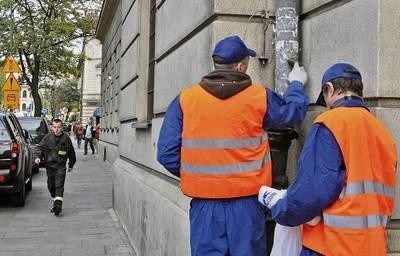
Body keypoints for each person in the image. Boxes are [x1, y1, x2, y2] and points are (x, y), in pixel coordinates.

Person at [157, 35, 309, 256]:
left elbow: (166, 153)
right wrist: (296, 83)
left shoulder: (185, 99)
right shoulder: (258, 96)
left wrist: (199, 174)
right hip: (246, 205)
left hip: (205, 207)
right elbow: (291, 113)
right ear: (240, 66)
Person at [258, 63, 397, 256]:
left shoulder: (331, 124)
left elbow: (312, 192)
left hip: (332, 246)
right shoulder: (383, 133)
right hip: (373, 248)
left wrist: (281, 208)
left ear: (329, 89)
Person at [34, 118, 76, 216]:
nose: (56, 129)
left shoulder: (66, 138)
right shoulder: (47, 138)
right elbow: (39, 148)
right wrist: (37, 157)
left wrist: (71, 165)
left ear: (62, 127)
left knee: (59, 186)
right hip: (50, 167)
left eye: (58, 127)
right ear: (52, 127)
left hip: (60, 166)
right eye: (54, 127)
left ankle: (58, 206)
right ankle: (55, 201)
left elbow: (71, 153)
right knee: (51, 186)